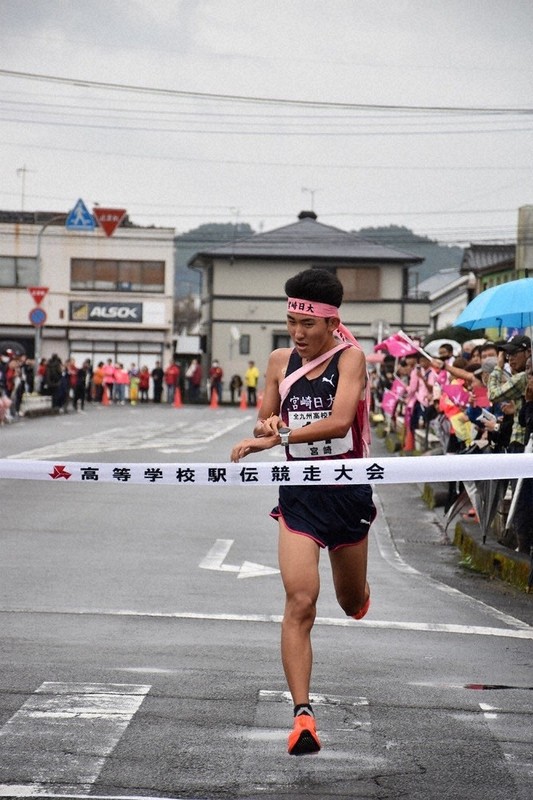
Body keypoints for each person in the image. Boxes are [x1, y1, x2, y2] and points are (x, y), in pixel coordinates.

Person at [230, 268, 375, 757]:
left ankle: (359, 593)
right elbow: (265, 416)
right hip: (299, 495)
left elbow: (338, 422)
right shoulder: (278, 360)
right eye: (291, 321)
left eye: (306, 325)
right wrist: (268, 423)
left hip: (348, 493)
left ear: (332, 323)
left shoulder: (351, 359)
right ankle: (302, 715)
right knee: (300, 600)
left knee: (349, 601)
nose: (297, 333)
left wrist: (281, 436)